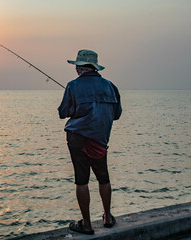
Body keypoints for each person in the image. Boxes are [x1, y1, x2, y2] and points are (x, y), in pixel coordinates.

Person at [58, 49, 122, 234]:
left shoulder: (73, 86)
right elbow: (116, 115)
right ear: (94, 67)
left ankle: (86, 224)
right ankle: (108, 217)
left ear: (79, 68)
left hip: (78, 137)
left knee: (81, 180)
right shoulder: (111, 86)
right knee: (104, 177)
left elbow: (64, 112)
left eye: (77, 66)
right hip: (100, 139)